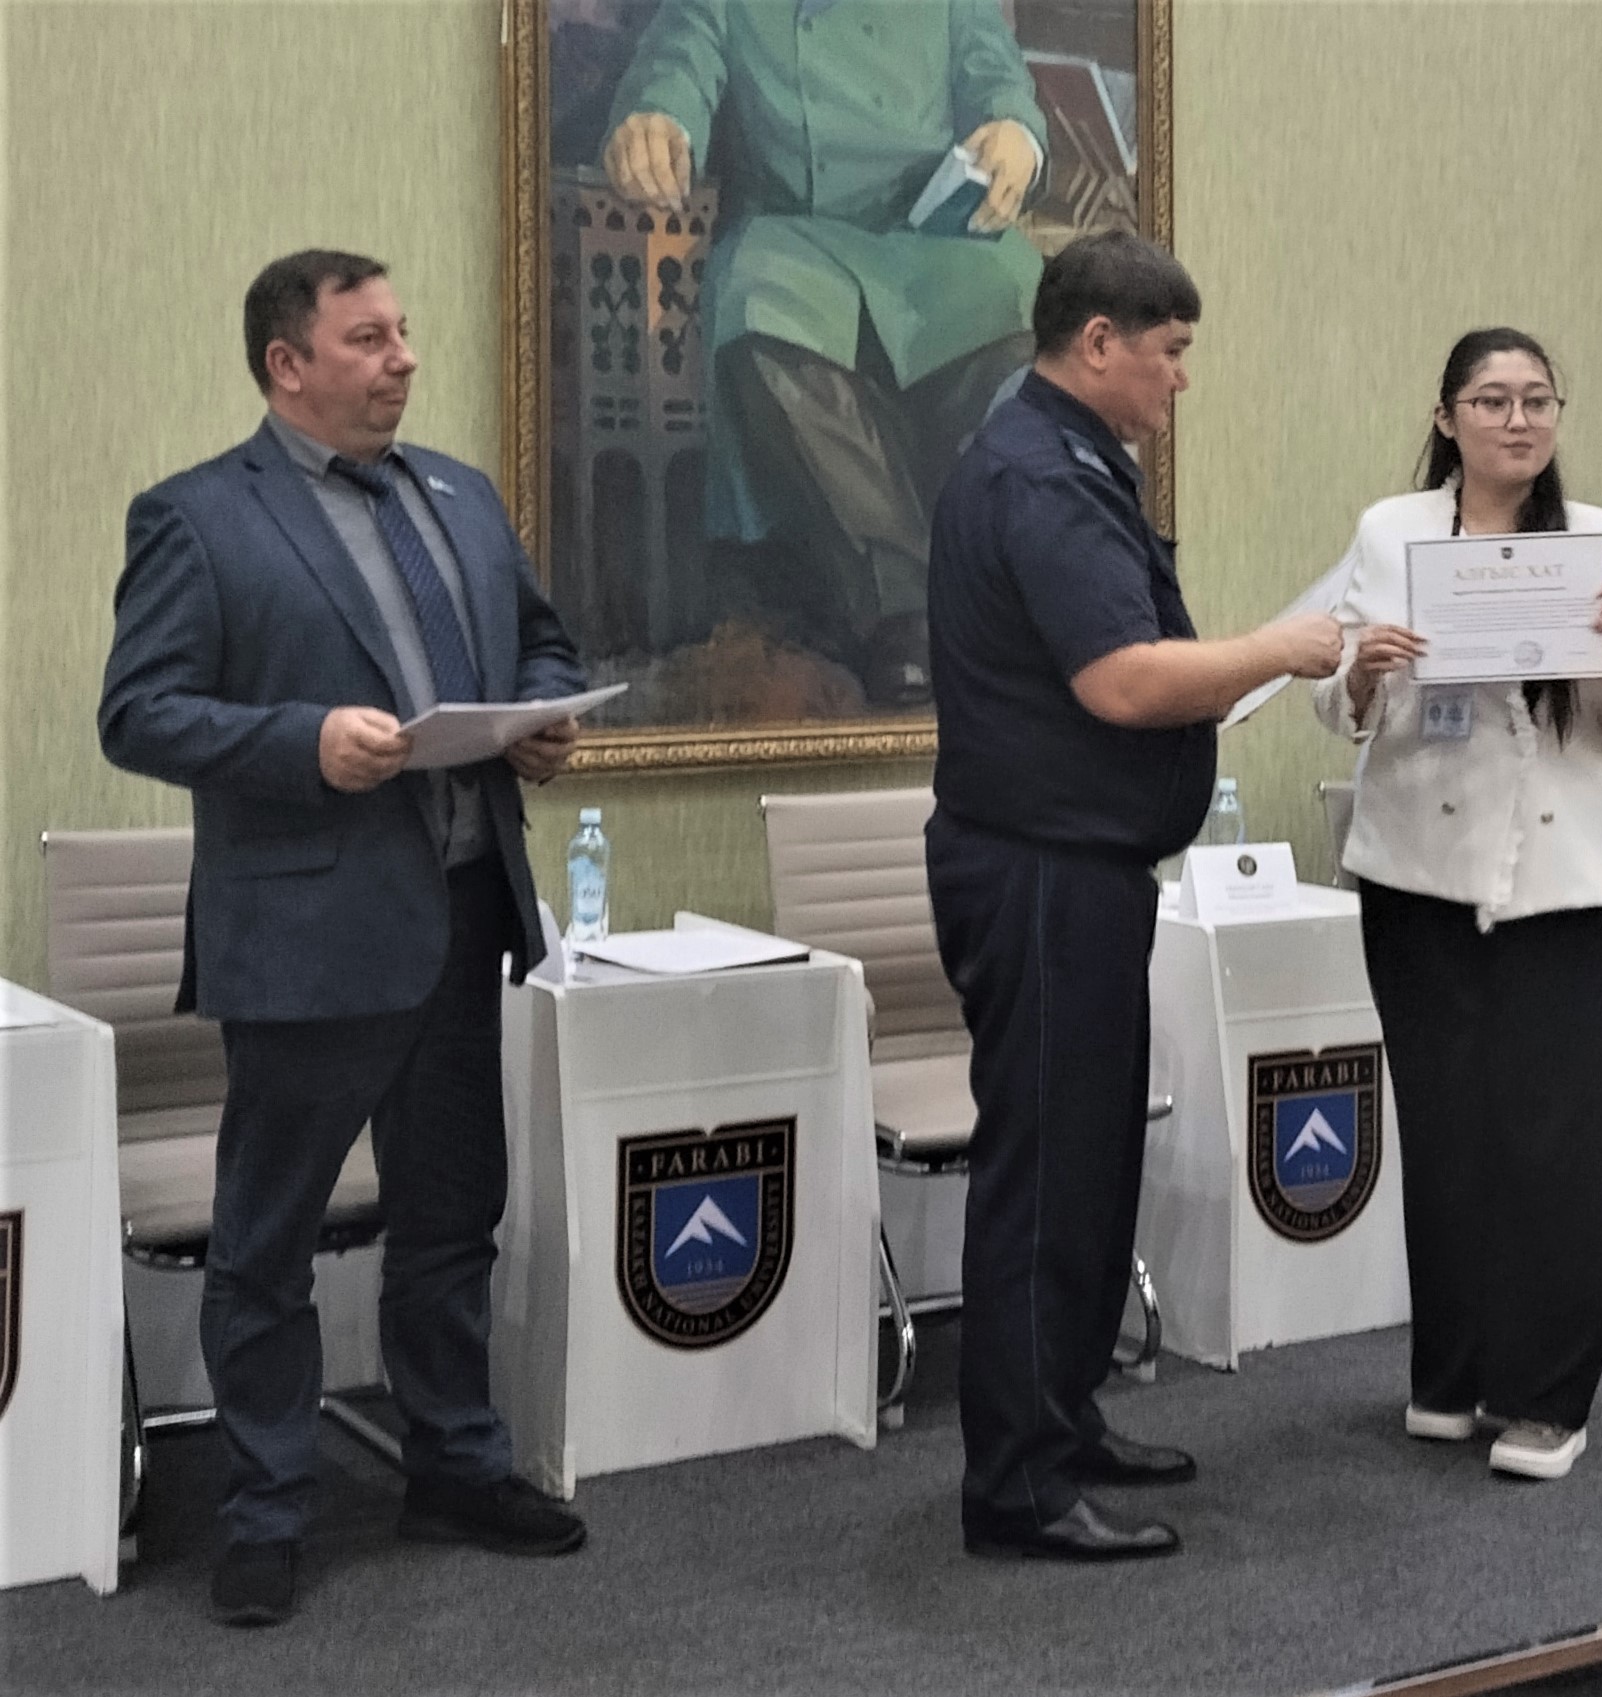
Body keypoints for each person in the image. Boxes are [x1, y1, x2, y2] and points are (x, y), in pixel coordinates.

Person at [98, 251, 590, 1627]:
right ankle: (266, 1510)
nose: (403, 358)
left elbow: (541, 645)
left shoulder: (461, 497)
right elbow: (139, 712)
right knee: (269, 1242)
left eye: (403, 332)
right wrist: (301, 740)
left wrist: (543, 715)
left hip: (466, 917)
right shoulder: (200, 517)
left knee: (452, 1218)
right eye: (368, 338)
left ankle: (456, 1464)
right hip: (309, 939)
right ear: (287, 364)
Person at [926, 231, 1343, 1562]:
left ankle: (1064, 1418)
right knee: (1048, 1176)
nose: (1181, 379)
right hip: (1042, 871)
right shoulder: (1041, 475)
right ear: (1098, 342)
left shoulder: (1065, 457)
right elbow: (1120, 681)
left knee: (1093, 1165)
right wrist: (1278, 649)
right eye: (1170, 353)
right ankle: (1019, 1485)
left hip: (1081, 870)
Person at [1315, 326, 1602, 1482]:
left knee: (1556, 1148)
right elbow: (1336, 701)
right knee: (1447, 1137)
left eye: (1536, 400)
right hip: (1418, 881)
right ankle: (1453, 1372)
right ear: (1446, 417)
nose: (1517, 420)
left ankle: (1547, 1397)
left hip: (1565, 889)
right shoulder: (1393, 530)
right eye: (1491, 400)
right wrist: (1364, 669)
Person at [602, 0, 1050, 705]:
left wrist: (1018, 134)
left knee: (1022, 337)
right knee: (759, 320)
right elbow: (676, 62)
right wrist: (656, 121)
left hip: (941, 247)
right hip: (797, 240)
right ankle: (906, 614)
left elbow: (1000, 80)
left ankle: (1014, 599)